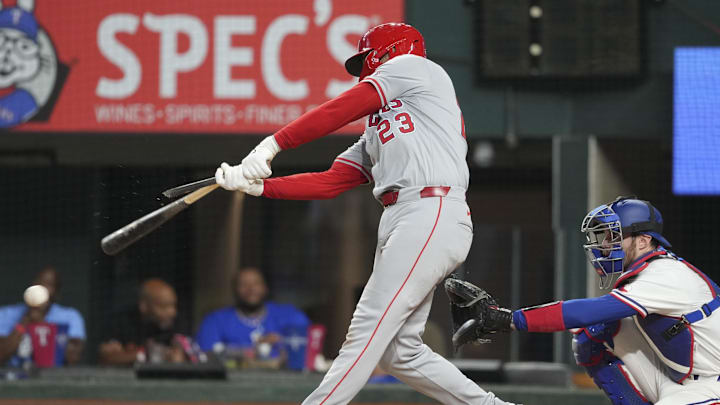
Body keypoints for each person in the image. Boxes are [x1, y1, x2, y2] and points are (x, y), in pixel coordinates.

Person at [215, 23, 513, 405]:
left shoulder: (418, 67)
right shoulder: (379, 127)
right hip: (406, 216)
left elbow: (339, 109)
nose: (363, 69)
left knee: (366, 328)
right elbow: (333, 180)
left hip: (430, 208)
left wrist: (272, 145)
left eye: (366, 59)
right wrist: (258, 186)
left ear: (390, 51)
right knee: (398, 352)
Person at [448, 197, 720, 405]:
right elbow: (594, 321)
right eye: (604, 236)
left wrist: (508, 319)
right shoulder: (647, 273)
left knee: (594, 319)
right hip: (679, 377)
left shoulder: (666, 274)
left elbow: (591, 310)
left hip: (711, 384)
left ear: (644, 240)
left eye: (614, 236)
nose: (604, 245)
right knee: (592, 335)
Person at [195, 267, 310, 370]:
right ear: (234, 290)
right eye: (243, 284)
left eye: (256, 283)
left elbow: (310, 343)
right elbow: (205, 354)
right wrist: (245, 352)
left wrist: (281, 341)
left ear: (265, 288)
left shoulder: (289, 314)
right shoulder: (216, 320)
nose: (251, 289)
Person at [0, 266, 85, 367]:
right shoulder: (7, 314)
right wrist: (26, 320)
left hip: (54, 378)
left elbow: (72, 359)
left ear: (56, 293)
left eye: (49, 284)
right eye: (38, 282)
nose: (41, 288)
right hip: (13, 378)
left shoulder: (70, 317)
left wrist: (40, 322)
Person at [99, 278, 193, 366]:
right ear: (144, 306)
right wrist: (146, 355)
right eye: (164, 307)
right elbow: (106, 357)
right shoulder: (121, 322)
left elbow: (186, 357)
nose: (172, 312)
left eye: (173, 305)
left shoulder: (176, 322)